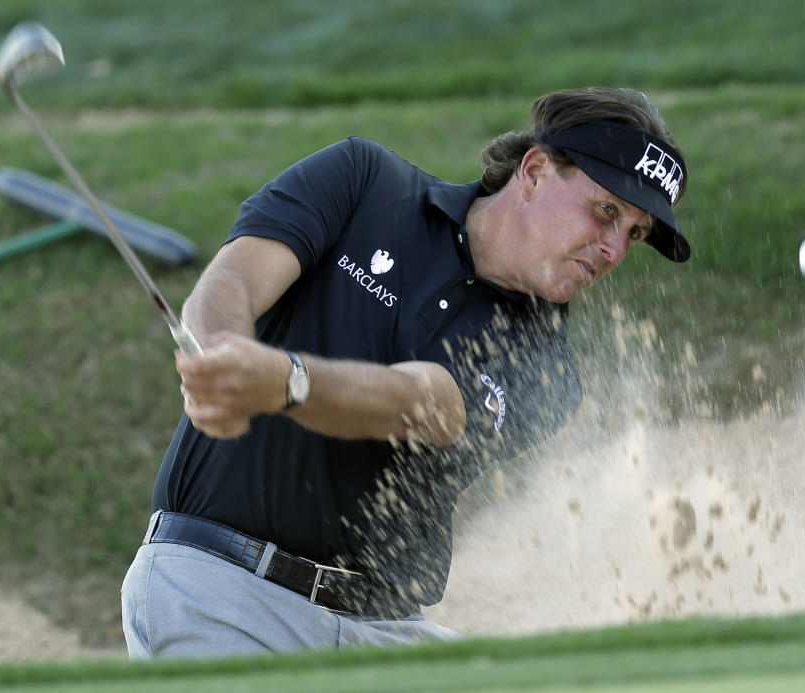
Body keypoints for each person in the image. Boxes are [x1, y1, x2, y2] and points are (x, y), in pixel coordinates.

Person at [120, 87, 690, 658]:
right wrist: (220, 353)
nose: (614, 248)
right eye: (606, 211)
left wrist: (286, 381)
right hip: (221, 590)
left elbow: (425, 404)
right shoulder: (365, 182)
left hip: (384, 630)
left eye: (634, 234)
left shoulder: (549, 370)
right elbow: (235, 280)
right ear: (536, 171)